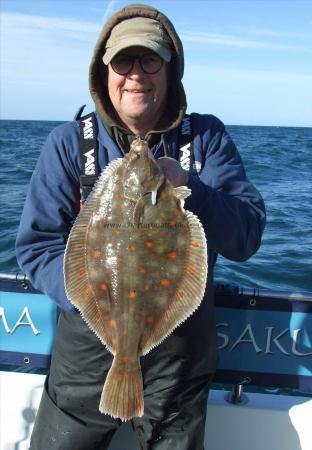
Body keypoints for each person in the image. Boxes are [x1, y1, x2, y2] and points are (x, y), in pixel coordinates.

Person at [15, 3, 266, 450]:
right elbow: (37, 247)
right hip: (86, 355)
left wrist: (191, 187)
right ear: (104, 71)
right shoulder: (69, 143)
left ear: (171, 70)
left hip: (180, 362)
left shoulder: (206, 138)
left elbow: (246, 235)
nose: (136, 74)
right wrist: (93, 304)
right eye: (123, 61)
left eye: (150, 59)